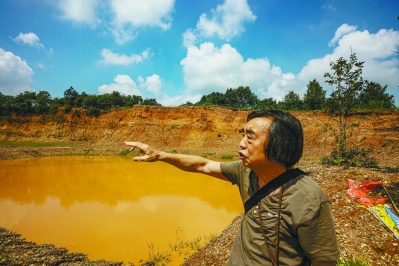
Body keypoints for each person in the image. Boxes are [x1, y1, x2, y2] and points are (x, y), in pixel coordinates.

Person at [125, 109, 339, 266]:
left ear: (278, 144)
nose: (241, 143)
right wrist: (160, 155)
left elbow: (324, 260)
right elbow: (203, 164)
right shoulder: (246, 171)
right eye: (242, 134)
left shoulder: (309, 199)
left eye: (250, 136)